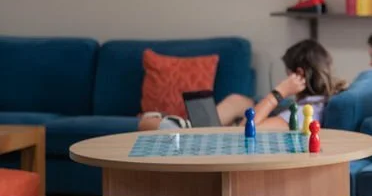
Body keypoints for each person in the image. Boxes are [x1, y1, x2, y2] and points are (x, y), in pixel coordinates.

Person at [138, 39, 348, 131]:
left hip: (233, 137)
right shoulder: (317, 102)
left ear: (298, 74)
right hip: (227, 128)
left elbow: (246, 131)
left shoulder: (304, 112)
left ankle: (185, 128)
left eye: (287, 73)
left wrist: (279, 92)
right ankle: (190, 126)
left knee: (146, 124)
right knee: (239, 100)